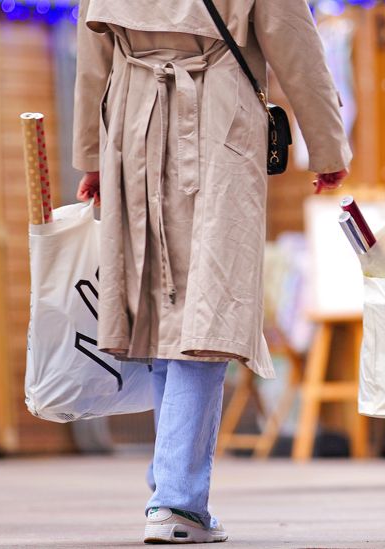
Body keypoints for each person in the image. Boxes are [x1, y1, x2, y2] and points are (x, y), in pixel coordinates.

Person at [72, 0, 351, 543]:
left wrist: (91, 155)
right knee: (211, 305)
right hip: (218, 117)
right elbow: (293, 39)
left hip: (132, 121)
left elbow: (92, 52)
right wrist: (326, 144)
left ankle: (171, 490)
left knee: (155, 297)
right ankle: (177, 499)